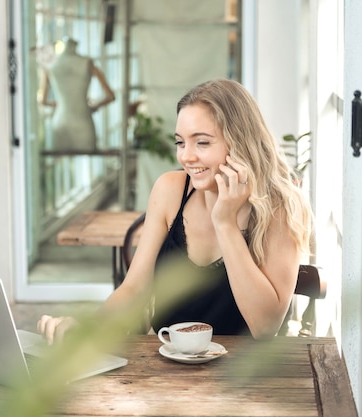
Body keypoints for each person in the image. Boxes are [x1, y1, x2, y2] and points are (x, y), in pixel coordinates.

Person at [38, 78, 312, 342]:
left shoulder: (280, 207)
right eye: (181, 142)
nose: (186, 156)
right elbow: (134, 288)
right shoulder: (171, 190)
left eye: (202, 142)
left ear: (240, 142)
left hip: (242, 376)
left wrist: (225, 223)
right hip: (165, 364)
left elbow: (265, 328)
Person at [39, 37, 115, 151]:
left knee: (58, 161)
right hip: (83, 120)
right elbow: (111, 96)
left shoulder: (50, 66)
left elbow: (42, 101)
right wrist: (93, 106)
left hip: (61, 121)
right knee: (90, 161)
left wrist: (60, 104)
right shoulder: (87, 63)